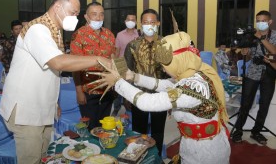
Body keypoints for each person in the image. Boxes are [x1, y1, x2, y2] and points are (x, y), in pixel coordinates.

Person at [0, 0, 110, 164]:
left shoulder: (54, 31)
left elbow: (50, 74)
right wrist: (98, 59)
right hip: (26, 110)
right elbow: (58, 62)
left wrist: (54, 102)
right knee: (31, 160)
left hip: (42, 107)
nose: (75, 17)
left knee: (44, 157)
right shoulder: (37, 29)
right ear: (57, 7)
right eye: (73, 12)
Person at [94, 31, 230, 164]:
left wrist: (118, 82)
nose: (164, 70)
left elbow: (147, 102)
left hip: (206, 153)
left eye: (165, 66)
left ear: (177, 61)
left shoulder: (193, 88)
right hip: (195, 145)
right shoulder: (193, 73)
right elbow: (164, 84)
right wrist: (133, 77)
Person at [123, 9, 167, 157]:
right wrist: (126, 96)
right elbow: (127, 72)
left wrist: (171, 97)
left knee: (158, 131)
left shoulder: (165, 44)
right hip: (138, 95)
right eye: (146, 22)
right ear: (141, 24)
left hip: (160, 95)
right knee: (138, 131)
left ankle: (156, 158)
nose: (149, 25)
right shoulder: (132, 46)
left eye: (152, 22)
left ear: (158, 23)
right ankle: (138, 157)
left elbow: (169, 73)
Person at [232, 10, 276, 145]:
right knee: (245, 103)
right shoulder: (251, 36)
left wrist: (261, 38)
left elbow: (274, 51)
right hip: (252, 72)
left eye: (263, 21)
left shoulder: (274, 35)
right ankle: (238, 131)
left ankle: (256, 131)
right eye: (258, 20)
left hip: (269, 73)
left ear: (269, 22)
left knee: (264, 105)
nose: (260, 23)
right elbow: (248, 53)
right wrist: (245, 51)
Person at [70, 2, 115, 131]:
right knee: (90, 130)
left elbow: (112, 61)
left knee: (106, 128)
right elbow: (75, 66)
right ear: (86, 17)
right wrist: (79, 92)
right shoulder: (78, 35)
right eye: (94, 14)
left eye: (101, 14)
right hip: (88, 91)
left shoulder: (109, 35)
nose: (98, 18)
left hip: (107, 90)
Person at [111, 14, 139, 116]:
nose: (130, 21)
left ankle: (130, 110)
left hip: (134, 67)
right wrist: (114, 67)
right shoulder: (120, 35)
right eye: (128, 19)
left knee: (131, 89)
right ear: (125, 21)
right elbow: (117, 51)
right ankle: (116, 108)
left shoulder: (139, 34)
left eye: (133, 20)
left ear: (136, 22)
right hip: (121, 66)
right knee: (119, 89)